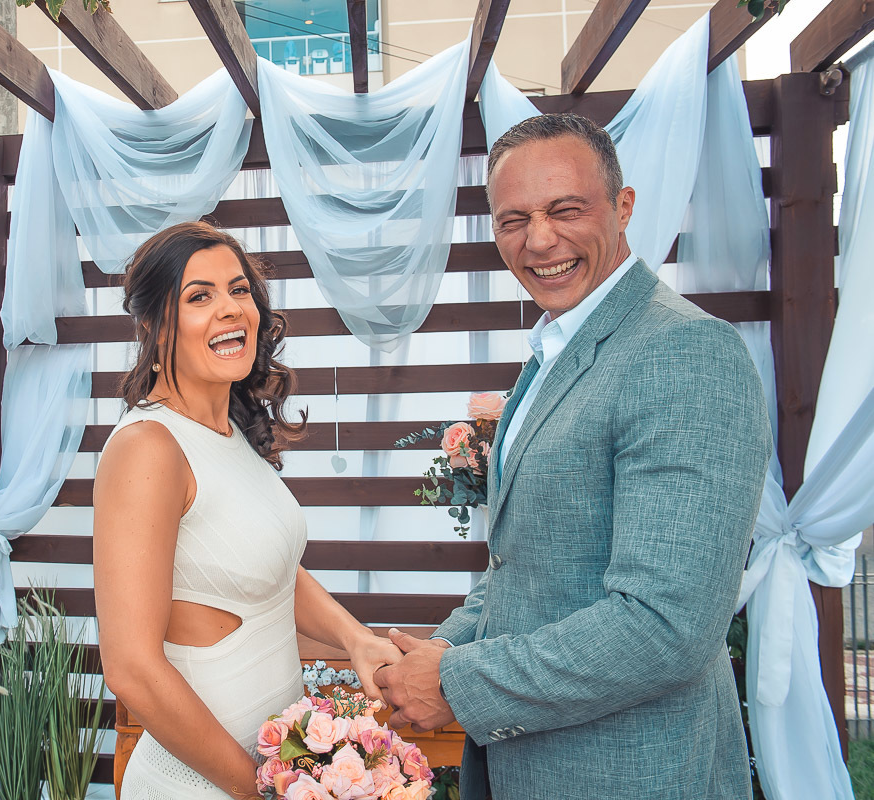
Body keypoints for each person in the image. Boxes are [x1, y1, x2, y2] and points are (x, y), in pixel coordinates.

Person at [374, 113, 772, 800]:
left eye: (566, 209)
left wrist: (459, 684)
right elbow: (529, 566)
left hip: (633, 775)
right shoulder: (556, 350)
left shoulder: (683, 351)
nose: (540, 240)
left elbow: (666, 624)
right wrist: (442, 650)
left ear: (623, 207)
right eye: (513, 219)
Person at [94, 222, 402, 800]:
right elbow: (131, 667)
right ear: (154, 325)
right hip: (204, 784)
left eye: (239, 291)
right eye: (198, 297)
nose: (230, 310)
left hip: (266, 771)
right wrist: (258, 790)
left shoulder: (231, 430)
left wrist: (355, 638)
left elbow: (266, 571)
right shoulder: (147, 447)